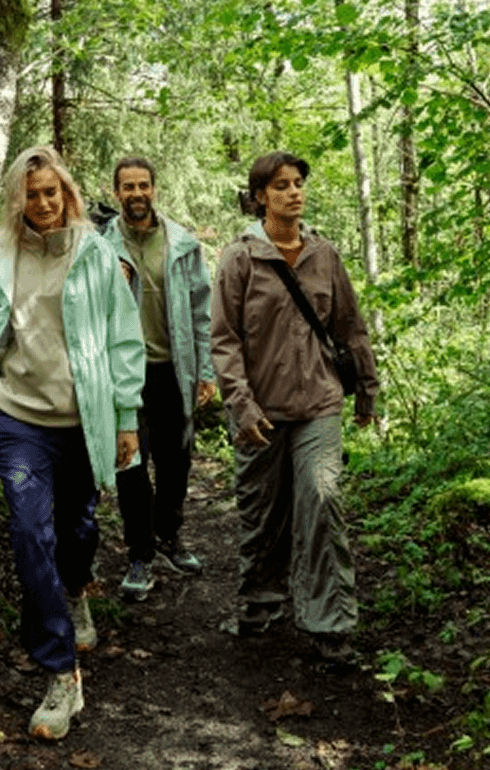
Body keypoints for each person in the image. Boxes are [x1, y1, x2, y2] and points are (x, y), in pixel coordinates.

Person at [0, 144, 144, 739]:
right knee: (28, 532)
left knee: (78, 527)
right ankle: (61, 672)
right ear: (17, 200)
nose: (42, 203)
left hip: (83, 420)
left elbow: (123, 339)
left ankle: (76, 586)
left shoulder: (95, 254)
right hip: (17, 420)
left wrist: (126, 417)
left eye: (50, 192)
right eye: (31, 194)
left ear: (67, 194)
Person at [209, 151, 380, 663]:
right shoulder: (240, 258)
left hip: (319, 403)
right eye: (281, 185)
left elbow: (350, 327)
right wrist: (242, 405)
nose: (293, 192)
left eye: (298, 183)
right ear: (260, 196)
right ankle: (261, 602)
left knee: (323, 499)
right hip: (260, 410)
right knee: (263, 513)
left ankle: (330, 623)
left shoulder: (324, 254)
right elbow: (224, 340)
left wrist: (366, 388)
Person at [100, 156, 215, 602]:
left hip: (174, 369)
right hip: (124, 374)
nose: (136, 194)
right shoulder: (101, 246)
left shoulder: (182, 244)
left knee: (176, 462)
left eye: (143, 185)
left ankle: (169, 535)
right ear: (116, 193)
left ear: (154, 189)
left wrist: (206, 371)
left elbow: (202, 312)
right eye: (128, 187)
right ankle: (139, 553)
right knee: (130, 464)